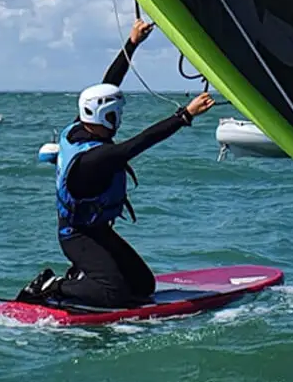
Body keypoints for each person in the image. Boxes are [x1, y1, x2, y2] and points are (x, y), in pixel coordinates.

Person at [16, 18, 217, 308]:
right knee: (116, 295)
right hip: (76, 235)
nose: (119, 119)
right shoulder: (95, 157)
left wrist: (132, 43)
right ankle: (53, 287)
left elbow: (109, 83)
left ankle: (81, 276)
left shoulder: (80, 127)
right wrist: (184, 115)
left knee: (144, 286)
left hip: (97, 230)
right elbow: (141, 142)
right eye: (115, 113)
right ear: (105, 117)